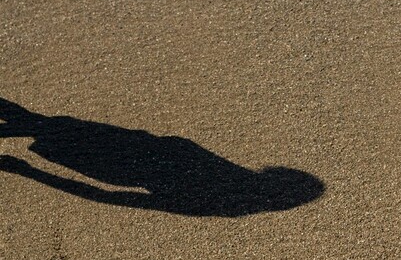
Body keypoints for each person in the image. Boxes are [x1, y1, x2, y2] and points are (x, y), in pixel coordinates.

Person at [0, 97, 323, 216]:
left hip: (112, 160)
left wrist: (29, 171)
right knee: (35, 123)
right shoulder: (239, 190)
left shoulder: (219, 201)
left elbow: (111, 197)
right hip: (130, 150)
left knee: (36, 125)